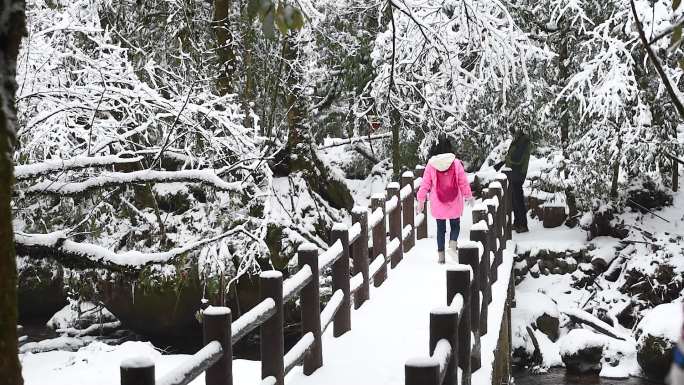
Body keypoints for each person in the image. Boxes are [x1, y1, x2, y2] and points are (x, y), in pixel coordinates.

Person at [416, 136, 473, 263]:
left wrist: (421, 200)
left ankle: (441, 258)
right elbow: (463, 182)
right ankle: (452, 246)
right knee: (455, 226)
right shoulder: (456, 163)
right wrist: (468, 196)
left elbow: (425, 184)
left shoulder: (431, 165)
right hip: (454, 201)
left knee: (440, 229)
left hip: (438, 202)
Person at [496, 127, 531, 233]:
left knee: (518, 199)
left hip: (518, 173)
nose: (512, 134)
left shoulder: (523, 141)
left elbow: (517, 159)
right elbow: (512, 156)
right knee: (514, 199)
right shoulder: (517, 141)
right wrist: (502, 162)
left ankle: (523, 225)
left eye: (513, 132)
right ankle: (517, 223)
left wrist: (507, 159)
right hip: (513, 173)